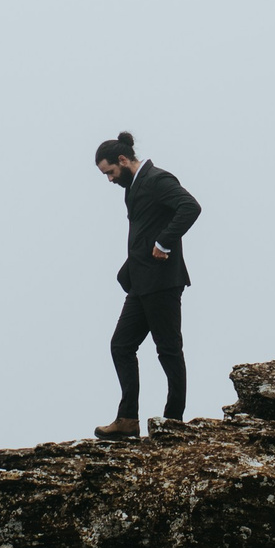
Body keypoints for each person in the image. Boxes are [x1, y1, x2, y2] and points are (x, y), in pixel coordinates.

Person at [92, 131, 200, 439]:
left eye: (110, 172)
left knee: (168, 350)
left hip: (163, 282)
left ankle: (173, 422)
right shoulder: (134, 187)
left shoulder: (156, 179)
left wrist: (164, 243)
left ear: (123, 160)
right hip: (140, 284)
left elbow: (190, 207)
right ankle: (127, 420)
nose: (110, 179)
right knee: (121, 345)